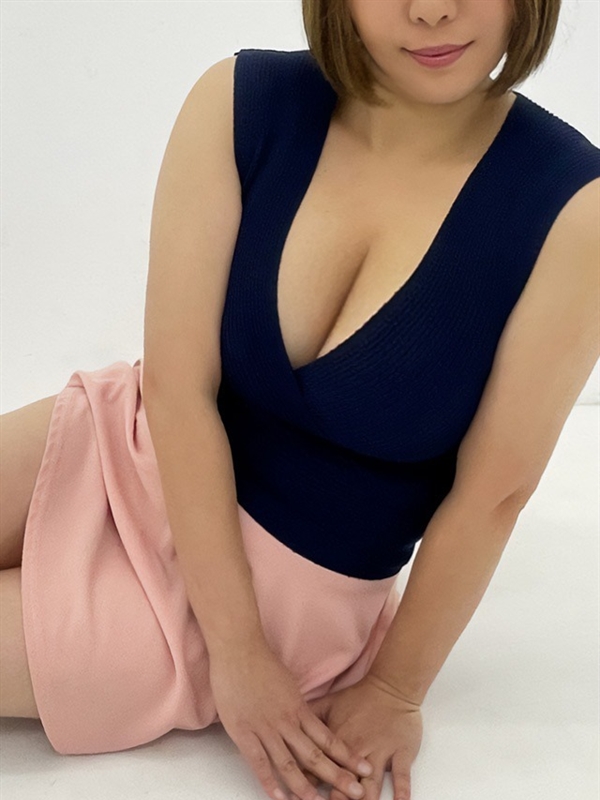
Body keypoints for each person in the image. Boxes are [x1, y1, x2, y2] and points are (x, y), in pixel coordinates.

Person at [1, 1, 599, 799]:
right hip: (138, 444)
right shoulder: (240, 102)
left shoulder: (573, 207)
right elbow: (178, 387)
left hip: (289, 597)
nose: (432, 10)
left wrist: (392, 690)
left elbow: (495, 493)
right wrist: (234, 651)